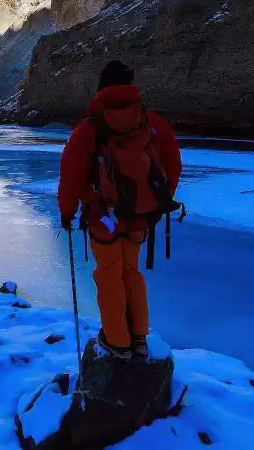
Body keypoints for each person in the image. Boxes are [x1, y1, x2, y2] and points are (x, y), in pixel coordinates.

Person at [57, 60, 182, 361]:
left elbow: (72, 173)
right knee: (131, 272)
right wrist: (155, 204)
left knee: (109, 274)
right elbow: (172, 166)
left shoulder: (91, 128)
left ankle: (117, 341)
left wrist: (67, 211)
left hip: (103, 217)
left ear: (102, 87)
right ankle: (138, 337)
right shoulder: (151, 123)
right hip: (139, 216)